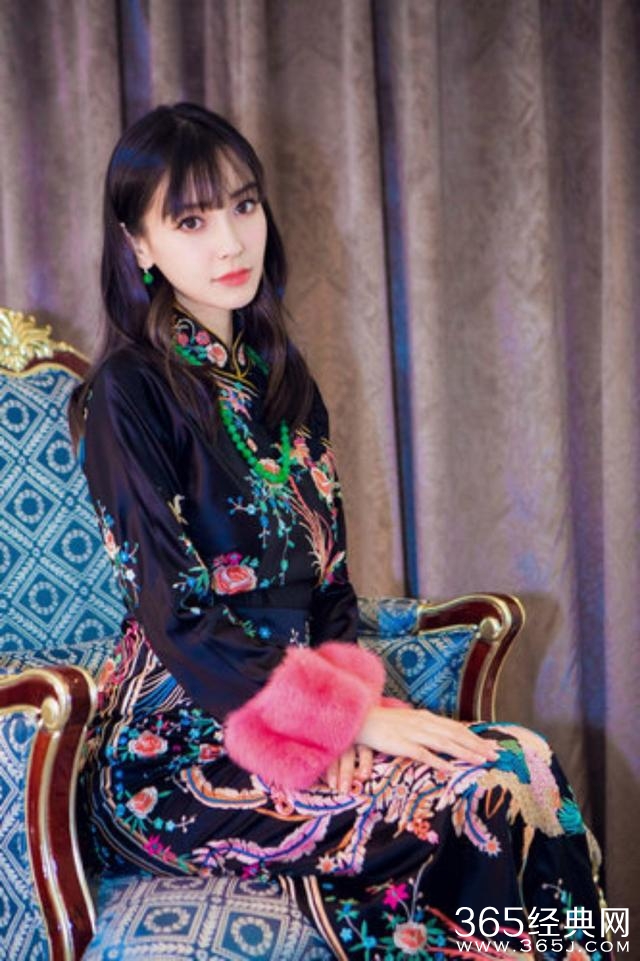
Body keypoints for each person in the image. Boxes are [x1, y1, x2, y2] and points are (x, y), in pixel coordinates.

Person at [72, 102, 604, 960]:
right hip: (174, 750)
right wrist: (340, 721)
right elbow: (177, 616)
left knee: (523, 765)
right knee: (465, 809)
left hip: (310, 718)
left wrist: (347, 716)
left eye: (244, 205)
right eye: (191, 220)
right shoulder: (128, 393)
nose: (230, 241)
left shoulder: (284, 385)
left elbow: (331, 588)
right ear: (139, 245)